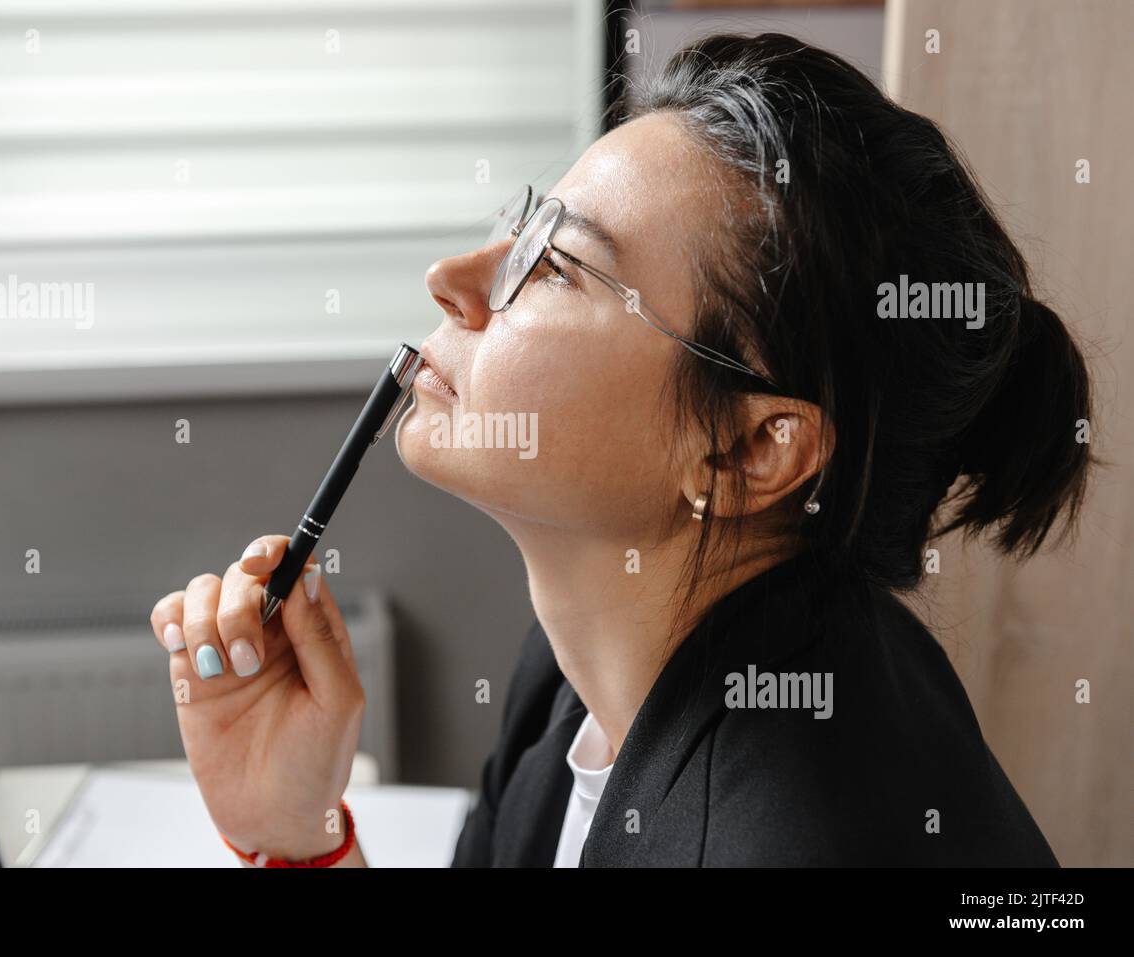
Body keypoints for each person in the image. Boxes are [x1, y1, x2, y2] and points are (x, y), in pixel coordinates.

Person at [149, 34, 1091, 867]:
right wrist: (296, 834)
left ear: (749, 449)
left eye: (555, 266)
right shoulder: (581, 670)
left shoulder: (792, 831)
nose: (451, 280)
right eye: (523, 228)